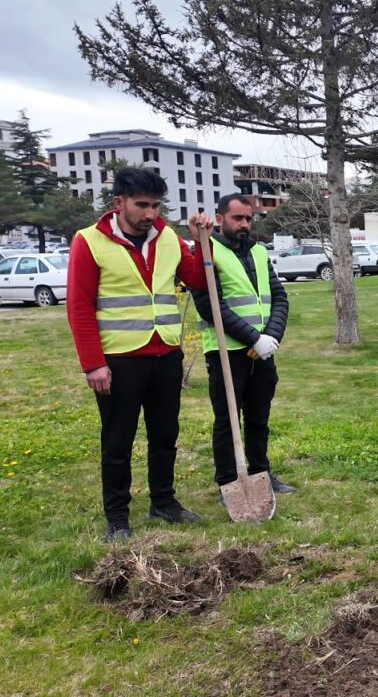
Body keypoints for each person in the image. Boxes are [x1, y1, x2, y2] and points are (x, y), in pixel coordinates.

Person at [66, 167, 216, 542]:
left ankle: (163, 501)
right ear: (118, 203)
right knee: (118, 440)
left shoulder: (168, 238)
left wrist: (201, 242)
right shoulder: (88, 242)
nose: (151, 213)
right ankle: (117, 517)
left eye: (156, 205)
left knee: (165, 435)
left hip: (165, 354)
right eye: (142, 205)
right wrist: (93, 364)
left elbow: (196, 280)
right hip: (119, 360)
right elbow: (79, 307)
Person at [191, 195, 296, 505]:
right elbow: (209, 305)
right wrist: (252, 337)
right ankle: (228, 482)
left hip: (262, 351)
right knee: (227, 419)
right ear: (221, 218)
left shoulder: (260, 252)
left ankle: (260, 472)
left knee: (259, 416)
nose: (244, 224)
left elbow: (279, 298)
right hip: (227, 351)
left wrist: (271, 336)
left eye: (249, 219)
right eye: (237, 218)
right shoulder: (209, 252)